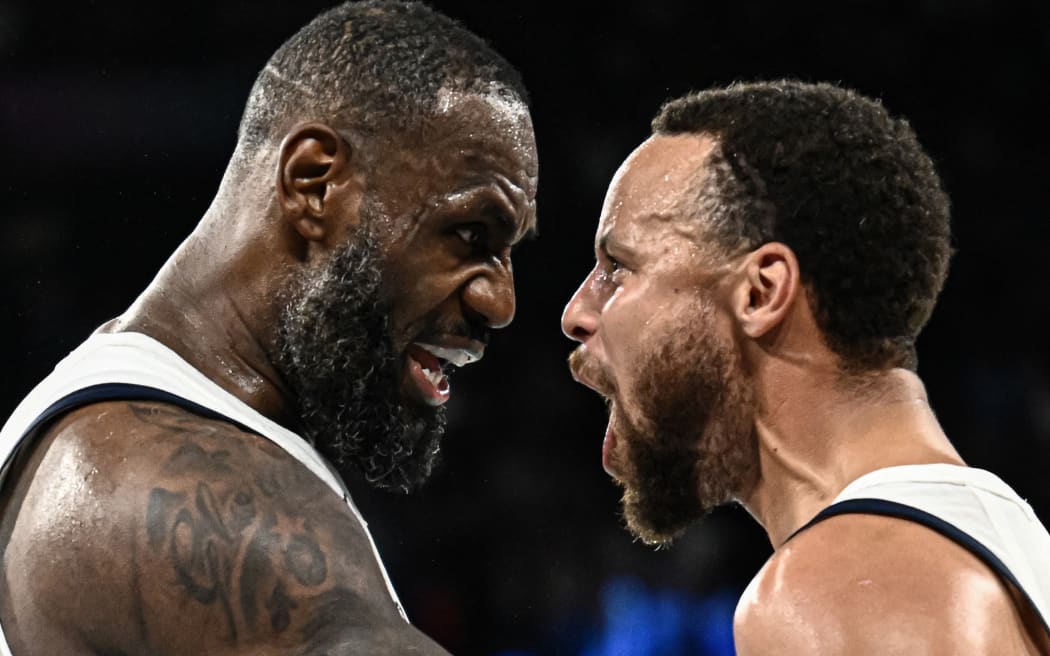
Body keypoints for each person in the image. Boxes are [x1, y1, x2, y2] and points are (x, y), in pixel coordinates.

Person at [0, 1, 537, 654]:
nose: (500, 302)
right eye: (470, 233)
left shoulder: (113, 419)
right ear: (314, 185)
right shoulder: (148, 480)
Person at [561, 79, 1049, 653]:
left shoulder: (841, 586)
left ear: (761, 293)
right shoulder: (1010, 543)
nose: (576, 313)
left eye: (617, 267)